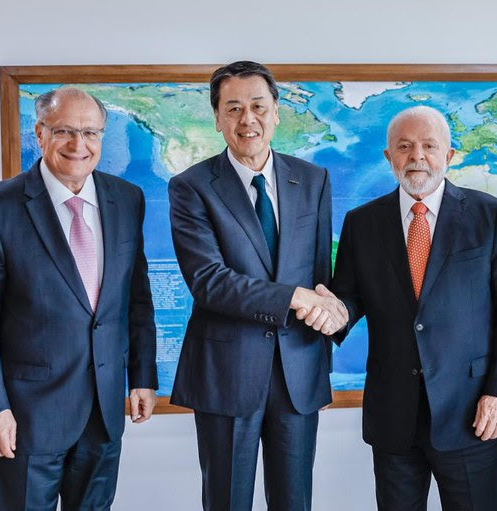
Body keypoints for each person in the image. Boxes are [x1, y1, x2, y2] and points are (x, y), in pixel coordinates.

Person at [324, 105, 497, 510]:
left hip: (473, 412)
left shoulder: (489, 215)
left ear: (449, 155)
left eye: (428, 146)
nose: (417, 156)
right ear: (389, 158)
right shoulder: (362, 223)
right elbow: (349, 297)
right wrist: (330, 311)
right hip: (393, 414)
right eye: (404, 147)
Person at [0, 87, 158, 510]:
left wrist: (142, 375)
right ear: (40, 133)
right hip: (26, 417)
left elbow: (136, 297)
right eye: (65, 130)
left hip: (103, 413)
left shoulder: (126, 200)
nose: (78, 144)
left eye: (90, 132)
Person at [168, 61, 346, 511]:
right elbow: (208, 282)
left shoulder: (312, 179)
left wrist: (326, 330)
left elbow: (319, 275)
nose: (248, 119)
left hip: (297, 372)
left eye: (258, 106)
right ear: (217, 118)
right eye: (233, 108)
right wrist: (293, 297)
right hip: (227, 372)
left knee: (294, 501)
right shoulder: (190, 187)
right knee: (227, 501)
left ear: (277, 112)